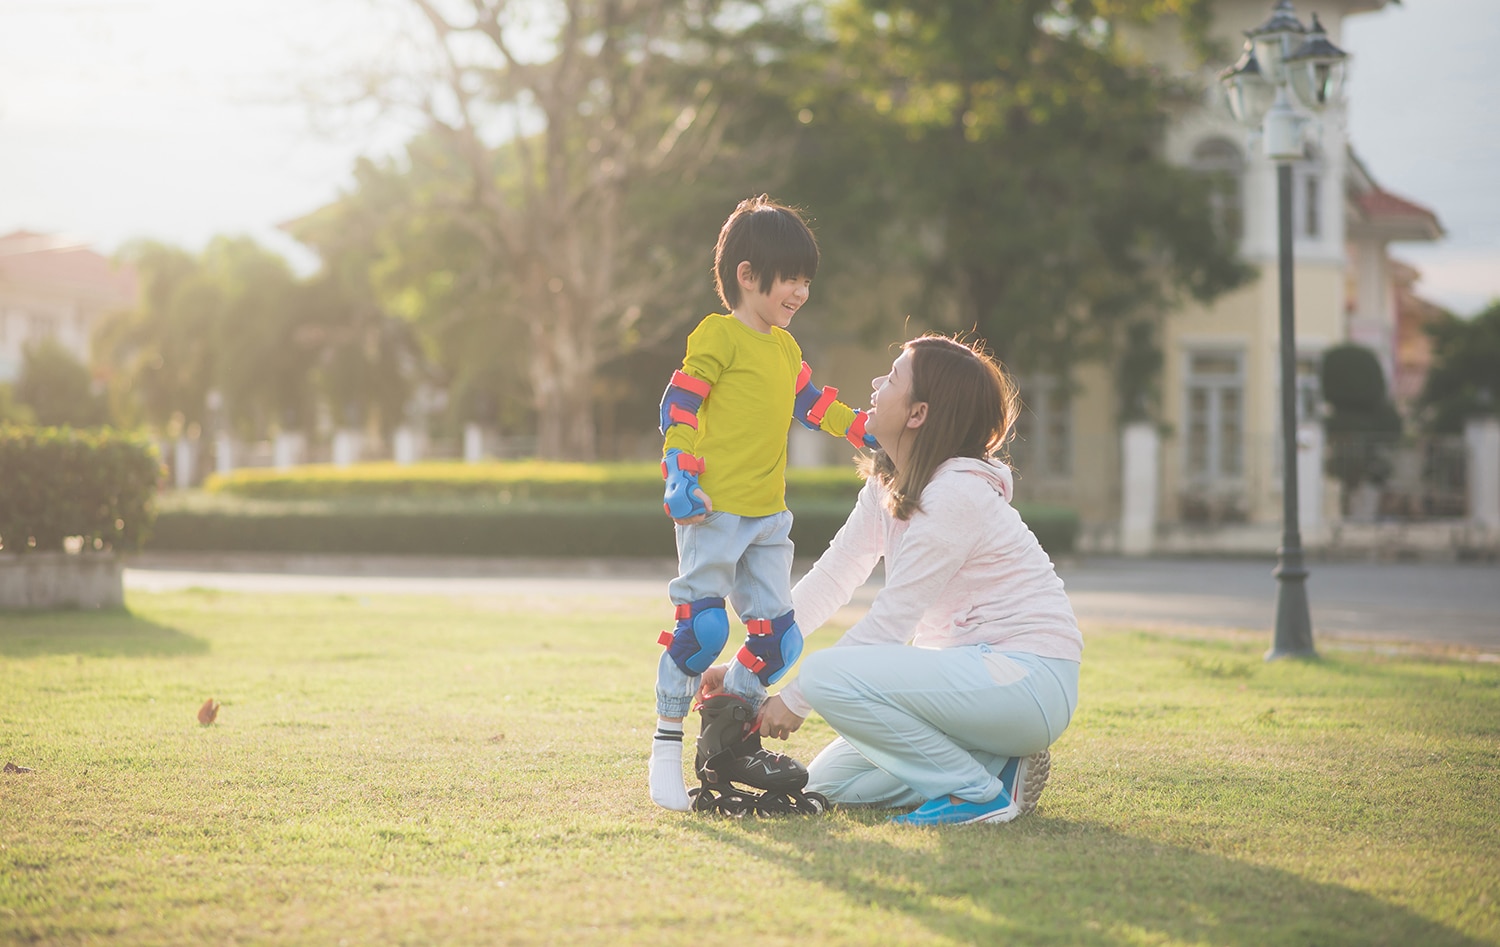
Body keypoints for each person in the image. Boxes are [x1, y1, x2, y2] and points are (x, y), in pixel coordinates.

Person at [732, 333, 1083, 825]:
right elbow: (833, 577)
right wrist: (743, 669)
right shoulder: (888, 484)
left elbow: (889, 626)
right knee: (824, 785)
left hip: (1026, 681)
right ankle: (997, 764)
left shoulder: (956, 494)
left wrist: (794, 699)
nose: (876, 383)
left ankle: (976, 793)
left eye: (893, 377)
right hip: (969, 683)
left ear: (918, 414)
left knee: (824, 676)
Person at [649, 195, 880, 812]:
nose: (801, 292)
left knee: (778, 640)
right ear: (747, 276)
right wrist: (679, 469)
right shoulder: (719, 336)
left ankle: (730, 728)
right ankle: (665, 747)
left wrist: (866, 430)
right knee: (701, 632)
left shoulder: (783, 349)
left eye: (807, 280)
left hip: (768, 521)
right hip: (713, 513)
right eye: (790, 279)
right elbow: (679, 406)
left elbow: (814, 407)